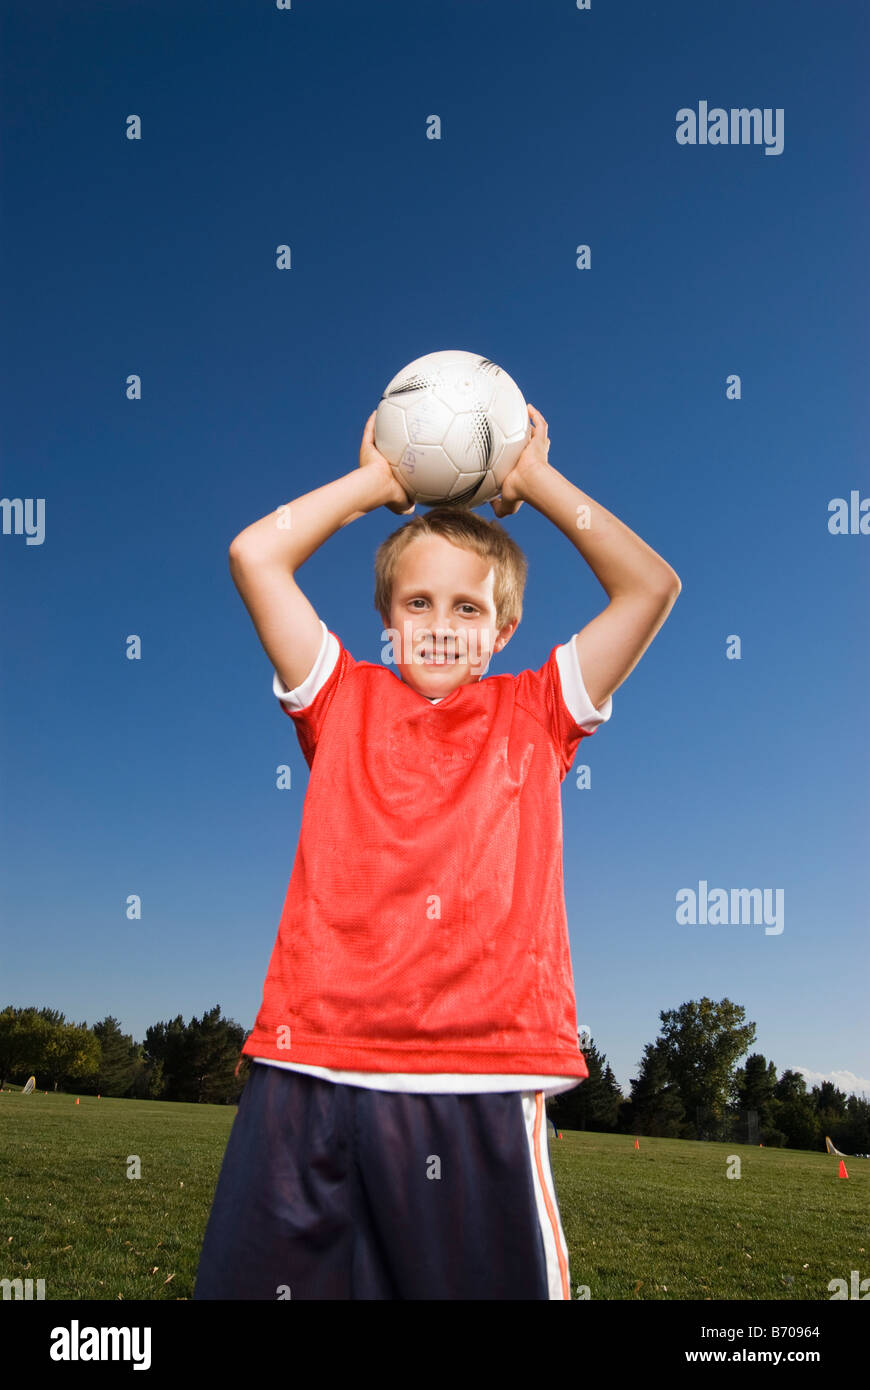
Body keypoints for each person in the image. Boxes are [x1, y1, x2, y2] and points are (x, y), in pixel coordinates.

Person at [194, 402, 680, 1300]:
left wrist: (533, 481)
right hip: (307, 1067)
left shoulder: (537, 714)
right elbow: (254, 555)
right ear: (386, 614)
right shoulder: (340, 698)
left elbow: (650, 586)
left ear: (502, 631)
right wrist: (377, 485)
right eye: (418, 602)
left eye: (468, 606)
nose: (442, 624)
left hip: (475, 1074)